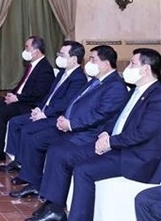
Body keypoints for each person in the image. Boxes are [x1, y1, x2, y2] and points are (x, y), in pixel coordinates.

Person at [24, 49, 161, 221]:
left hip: (137, 155)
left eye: (132, 64)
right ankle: (55, 206)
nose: (127, 67)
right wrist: (105, 134)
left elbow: (142, 133)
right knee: (62, 153)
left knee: (84, 170)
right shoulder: (136, 91)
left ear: (146, 69)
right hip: (118, 145)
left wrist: (111, 142)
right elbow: (118, 119)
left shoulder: (156, 95)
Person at [12, 45, 128, 200]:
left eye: (93, 59)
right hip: (70, 125)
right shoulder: (95, 81)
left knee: (55, 149)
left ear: (106, 63)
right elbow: (75, 101)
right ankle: (34, 183)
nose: (89, 63)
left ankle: (52, 201)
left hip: (86, 132)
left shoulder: (115, 86)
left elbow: (99, 115)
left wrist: (71, 123)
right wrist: (64, 117)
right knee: (35, 139)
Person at [0, 41, 87, 174]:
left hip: (56, 116)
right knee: (15, 122)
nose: (59, 57)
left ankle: (26, 167)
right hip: (45, 111)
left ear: (74, 59)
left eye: (62, 55)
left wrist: (45, 114)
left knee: (27, 129)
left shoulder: (78, 78)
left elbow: (66, 102)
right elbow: (49, 95)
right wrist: (39, 109)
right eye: (59, 54)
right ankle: (17, 160)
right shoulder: (62, 72)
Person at [0, 36, 55, 163]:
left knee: (1, 113)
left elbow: (39, 93)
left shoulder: (45, 69)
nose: (25, 50)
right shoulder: (31, 65)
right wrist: (11, 94)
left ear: (36, 51)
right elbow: (22, 84)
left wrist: (17, 98)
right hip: (19, 98)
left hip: (29, 104)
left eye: (27, 47)